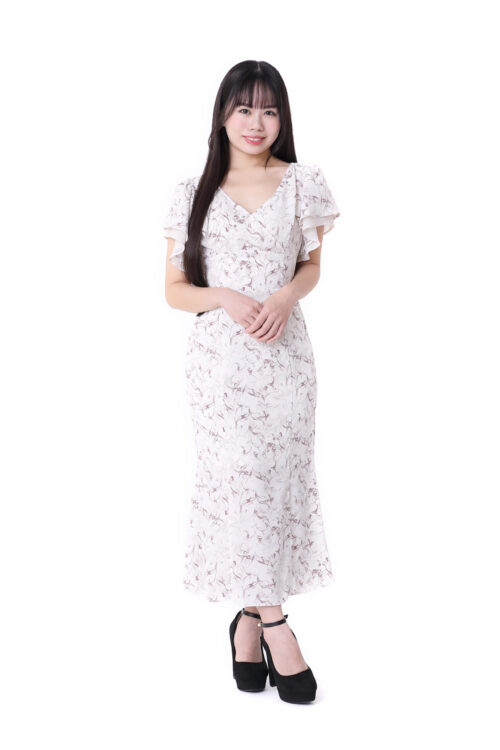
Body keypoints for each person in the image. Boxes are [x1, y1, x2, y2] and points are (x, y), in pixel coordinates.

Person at [163, 60, 341, 703]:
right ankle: (276, 625)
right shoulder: (192, 193)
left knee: (274, 487)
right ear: (223, 116)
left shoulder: (302, 183)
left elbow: (310, 267)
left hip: (286, 361)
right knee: (239, 484)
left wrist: (286, 297)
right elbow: (174, 291)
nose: (256, 122)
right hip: (219, 368)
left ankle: (246, 621)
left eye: (269, 110)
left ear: (282, 118)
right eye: (244, 109)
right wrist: (225, 297)